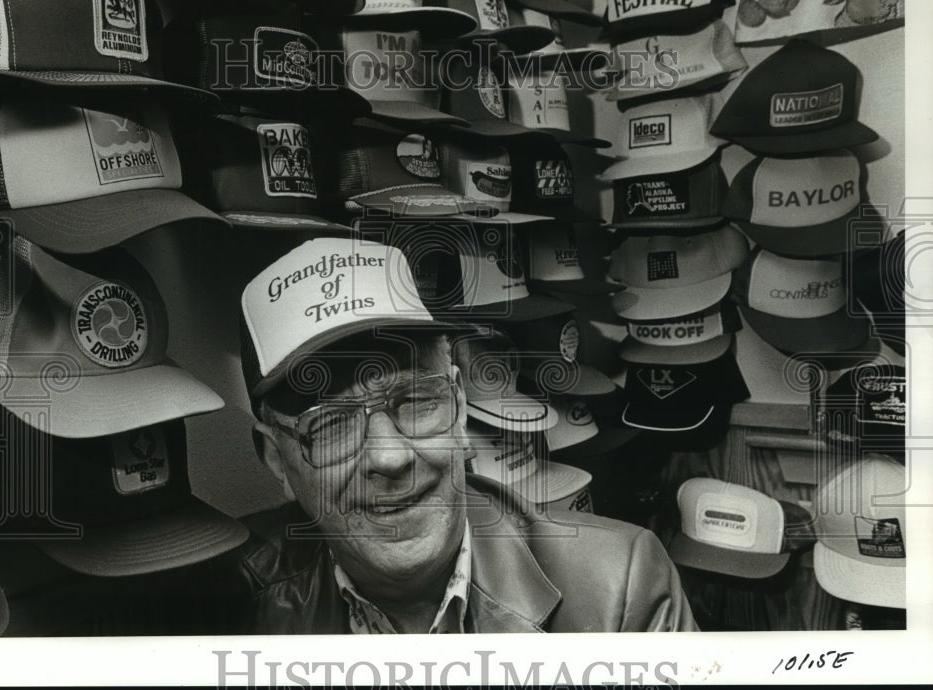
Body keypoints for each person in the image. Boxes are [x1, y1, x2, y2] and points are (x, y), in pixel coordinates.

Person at [228, 236, 698, 633]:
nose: (390, 457)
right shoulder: (227, 603)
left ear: (457, 407)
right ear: (276, 460)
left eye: (415, 402)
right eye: (330, 424)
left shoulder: (621, 590)